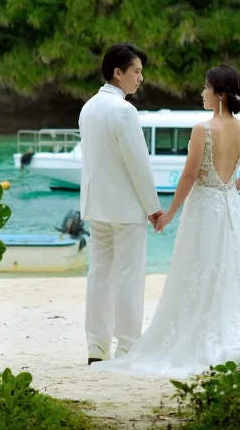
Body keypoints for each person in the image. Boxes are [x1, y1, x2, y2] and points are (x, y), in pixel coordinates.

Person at [92, 64, 240, 378]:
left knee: (197, 269)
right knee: (233, 269)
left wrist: (169, 212)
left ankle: (200, 330)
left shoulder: (203, 129)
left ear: (220, 95)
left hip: (202, 210)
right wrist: (228, 188)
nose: (202, 93)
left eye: (206, 88)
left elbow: (188, 176)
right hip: (230, 208)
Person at [79, 43, 163, 365]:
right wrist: (154, 208)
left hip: (96, 205)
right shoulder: (124, 111)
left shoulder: (88, 107)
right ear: (118, 72)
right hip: (126, 209)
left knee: (99, 275)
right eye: (137, 71)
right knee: (128, 276)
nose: (141, 78)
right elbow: (138, 166)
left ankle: (96, 348)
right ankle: (128, 346)